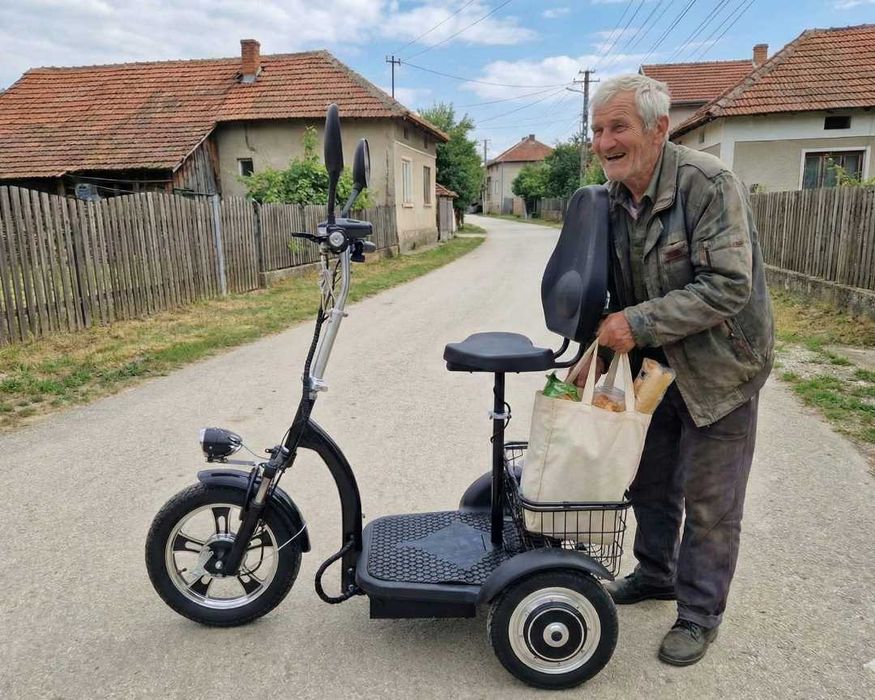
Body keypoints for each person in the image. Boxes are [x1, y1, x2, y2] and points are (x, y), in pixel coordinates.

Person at [576, 74, 774, 666]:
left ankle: (699, 614)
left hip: (721, 368)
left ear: (659, 128)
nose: (604, 142)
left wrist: (634, 324)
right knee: (650, 480)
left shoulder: (708, 184)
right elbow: (614, 289)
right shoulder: (611, 199)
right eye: (597, 130)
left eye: (618, 127)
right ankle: (656, 573)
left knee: (711, 500)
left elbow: (728, 286)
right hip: (656, 368)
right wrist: (599, 345)